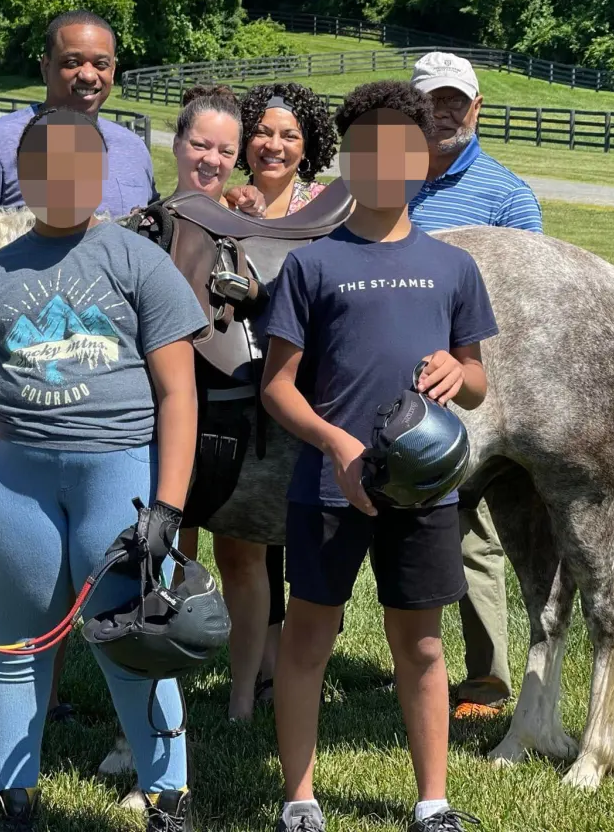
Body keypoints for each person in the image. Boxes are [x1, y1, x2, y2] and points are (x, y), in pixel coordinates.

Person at [0, 106, 206, 832]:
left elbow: (179, 394)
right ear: (24, 175)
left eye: (79, 166)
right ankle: (14, 804)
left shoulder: (138, 262)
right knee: (16, 647)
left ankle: (168, 802)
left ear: (100, 173)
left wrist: (169, 507)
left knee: (131, 645)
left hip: (118, 477)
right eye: (46, 167)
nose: (63, 180)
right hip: (10, 484)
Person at [261, 80, 495, 832]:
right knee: (308, 639)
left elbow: (477, 384)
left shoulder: (453, 267)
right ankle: (300, 799)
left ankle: (433, 802)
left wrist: (459, 372)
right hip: (329, 487)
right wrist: (336, 442)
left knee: (421, 644)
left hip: (424, 490)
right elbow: (276, 388)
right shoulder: (312, 265)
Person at [0, 9, 159, 738]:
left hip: (103, 391)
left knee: (93, 555)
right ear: (44, 65)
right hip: (15, 392)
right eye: (71, 61)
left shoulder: (130, 148)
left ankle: (59, 695)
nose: (86, 75)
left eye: (100, 63)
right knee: (0, 554)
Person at [192, 81, 339, 720]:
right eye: (263, 132)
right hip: (234, 394)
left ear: (309, 145)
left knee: (305, 538)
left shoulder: (328, 210)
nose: (274, 145)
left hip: (308, 389)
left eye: (290, 135)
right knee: (242, 545)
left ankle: (295, 666)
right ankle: (253, 678)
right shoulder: (228, 204)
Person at [406, 51, 543, 721]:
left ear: (477, 108)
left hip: (468, 387)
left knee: (470, 532)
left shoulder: (507, 196)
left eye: (456, 101)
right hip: (379, 375)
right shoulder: (384, 183)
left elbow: (528, 310)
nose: (444, 113)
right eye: (431, 101)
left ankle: (486, 681)